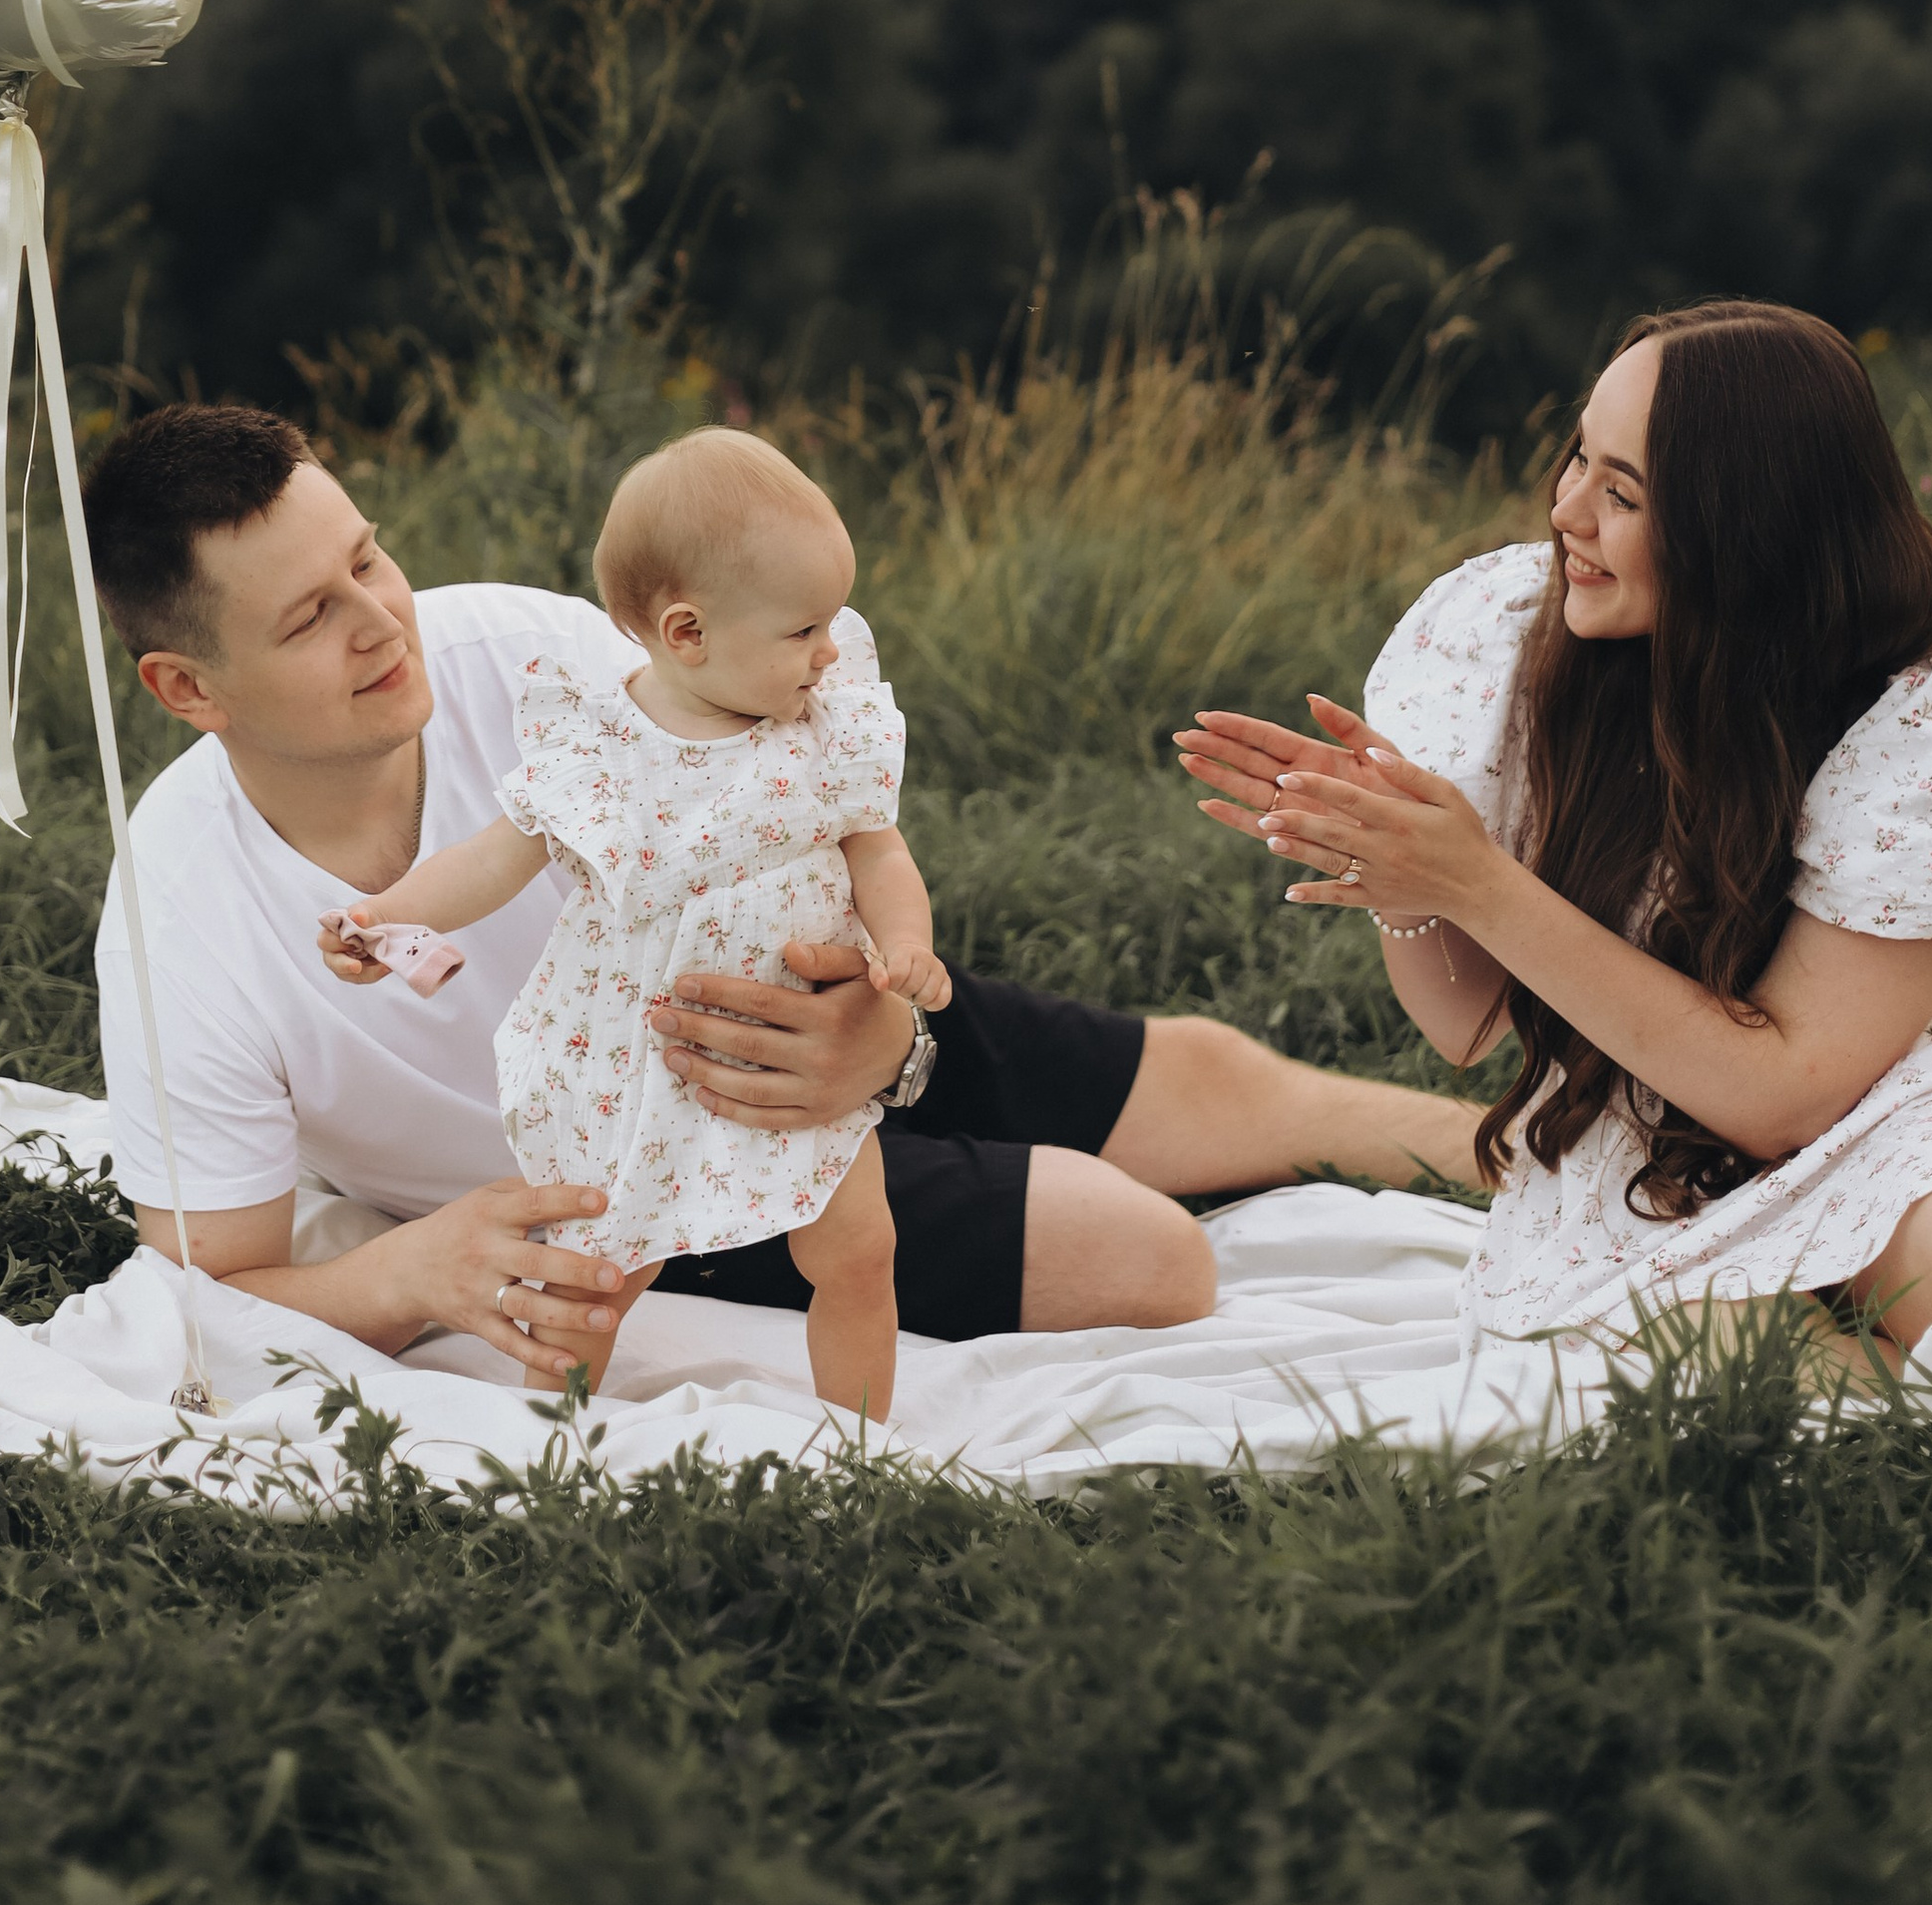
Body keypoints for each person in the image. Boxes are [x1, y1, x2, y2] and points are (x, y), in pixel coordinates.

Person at [83, 402, 1481, 1387]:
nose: (382, 618)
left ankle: (1559, 1148)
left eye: (367, 558)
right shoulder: (183, 927)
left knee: (1210, 1080)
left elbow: (782, 808)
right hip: (667, 1171)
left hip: (812, 1001)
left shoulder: (528, 655)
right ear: (187, 689)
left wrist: (881, 1029)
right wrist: (410, 1275)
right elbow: (217, 1280)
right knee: (1147, 1256)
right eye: (310, 616)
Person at [1177, 300, 1932, 1363]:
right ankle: (1829, 1362)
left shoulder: (1931, 713)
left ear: (1743, 529)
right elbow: (1467, 1024)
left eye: (1621, 491)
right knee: (1704, 1353)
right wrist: (1403, 875)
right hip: (1635, 1165)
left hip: (1872, 1112)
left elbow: (1789, 1100)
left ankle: (1863, 1347)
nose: (1566, 510)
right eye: (1576, 457)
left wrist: (1480, 883)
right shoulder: (1508, 639)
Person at [329, 432, 1022, 1420]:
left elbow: (879, 851)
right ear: (686, 632)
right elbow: (488, 861)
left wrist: (903, 943)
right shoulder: (597, 745)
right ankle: (552, 1438)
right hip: (641, 1057)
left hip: (789, 1062)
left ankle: (863, 1444)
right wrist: (383, 917)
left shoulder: (820, 725)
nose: (829, 652)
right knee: (596, 1278)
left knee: (860, 1249)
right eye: (802, 630)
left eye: (830, 622)